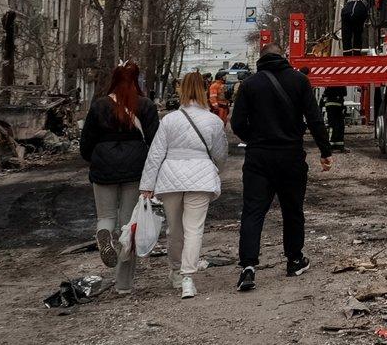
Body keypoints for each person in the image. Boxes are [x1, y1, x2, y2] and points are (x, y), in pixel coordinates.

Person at [230, 48, 333, 291]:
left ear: (261, 60)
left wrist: (253, 139)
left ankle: (248, 267)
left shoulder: (249, 84)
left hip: (258, 158)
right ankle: (295, 260)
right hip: (290, 155)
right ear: (282, 58)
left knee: (253, 211)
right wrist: (325, 151)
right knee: (293, 209)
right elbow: (315, 118)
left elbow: (237, 123)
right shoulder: (299, 81)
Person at [139, 71, 229, 299]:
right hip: (200, 178)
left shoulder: (169, 119)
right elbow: (220, 154)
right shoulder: (213, 120)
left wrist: (147, 184)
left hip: (170, 178)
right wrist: (213, 166)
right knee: (194, 229)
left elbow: (156, 154)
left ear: (181, 90)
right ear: (203, 89)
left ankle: (175, 271)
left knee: (175, 229)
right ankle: (188, 278)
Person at [78, 61, 159, 295]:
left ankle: (104, 235)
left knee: (105, 216)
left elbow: (86, 144)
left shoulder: (99, 106)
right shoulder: (145, 106)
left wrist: (95, 158)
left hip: (103, 167)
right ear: (137, 80)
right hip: (135, 168)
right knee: (129, 224)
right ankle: (123, 284)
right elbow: (155, 142)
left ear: (113, 79)